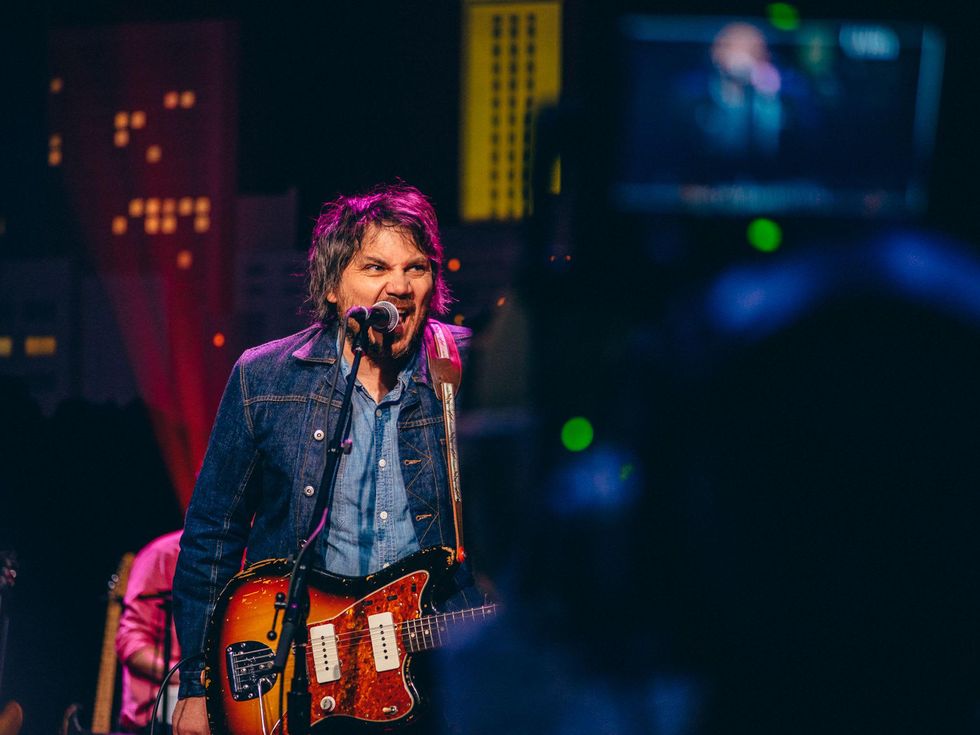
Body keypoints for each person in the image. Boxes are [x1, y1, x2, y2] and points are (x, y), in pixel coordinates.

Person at [172, 183, 481, 735]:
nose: (400, 287)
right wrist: (198, 686)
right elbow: (211, 538)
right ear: (334, 287)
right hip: (303, 685)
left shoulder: (464, 373)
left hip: (436, 683)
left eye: (417, 268)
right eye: (376, 267)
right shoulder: (264, 378)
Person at [115, 530, 182, 734]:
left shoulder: (255, 555)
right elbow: (130, 641)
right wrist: (186, 675)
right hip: (159, 712)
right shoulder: (163, 554)